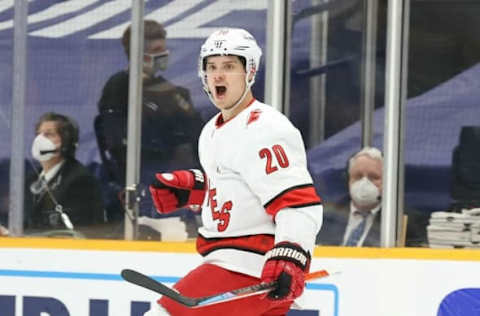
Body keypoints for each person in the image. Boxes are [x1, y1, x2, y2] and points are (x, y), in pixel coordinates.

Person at [146, 28, 324, 316]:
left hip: (249, 269)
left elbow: (299, 204)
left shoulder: (266, 127)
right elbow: (241, 189)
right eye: (212, 67)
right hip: (233, 266)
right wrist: (193, 188)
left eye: (229, 67)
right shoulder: (211, 130)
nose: (218, 75)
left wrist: (292, 253)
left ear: (249, 72)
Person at [96, 20, 203, 237]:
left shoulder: (173, 91)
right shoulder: (119, 88)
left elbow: (196, 134)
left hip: (180, 175)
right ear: (138, 53)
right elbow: (117, 143)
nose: (163, 54)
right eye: (156, 50)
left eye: (163, 48)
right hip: (144, 179)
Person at [317, 146, 427, 247]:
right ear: (348, 179)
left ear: (387, 182)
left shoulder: (403, 222)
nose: (364, 183)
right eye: (358, 176)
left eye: (373, 177)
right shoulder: (328, 217)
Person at [24, 112, 105, 234]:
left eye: (48, 134)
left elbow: (76, 231)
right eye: (38, 134)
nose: (39, 139)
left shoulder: (80, 180)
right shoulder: (31, 179)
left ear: (66, 141)